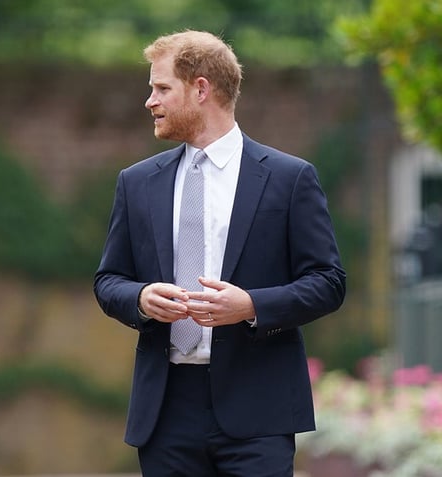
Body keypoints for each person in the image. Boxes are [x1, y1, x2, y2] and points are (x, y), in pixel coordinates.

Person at [94, 30, 346, 476]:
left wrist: (251, 306)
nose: (149, 101)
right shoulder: (136, 182)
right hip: (166, 410)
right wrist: (140, 298)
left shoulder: (290, 178)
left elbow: (328, 282)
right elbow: (108, 281)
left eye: (161, 88)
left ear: (201, 88)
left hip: (259, 410)